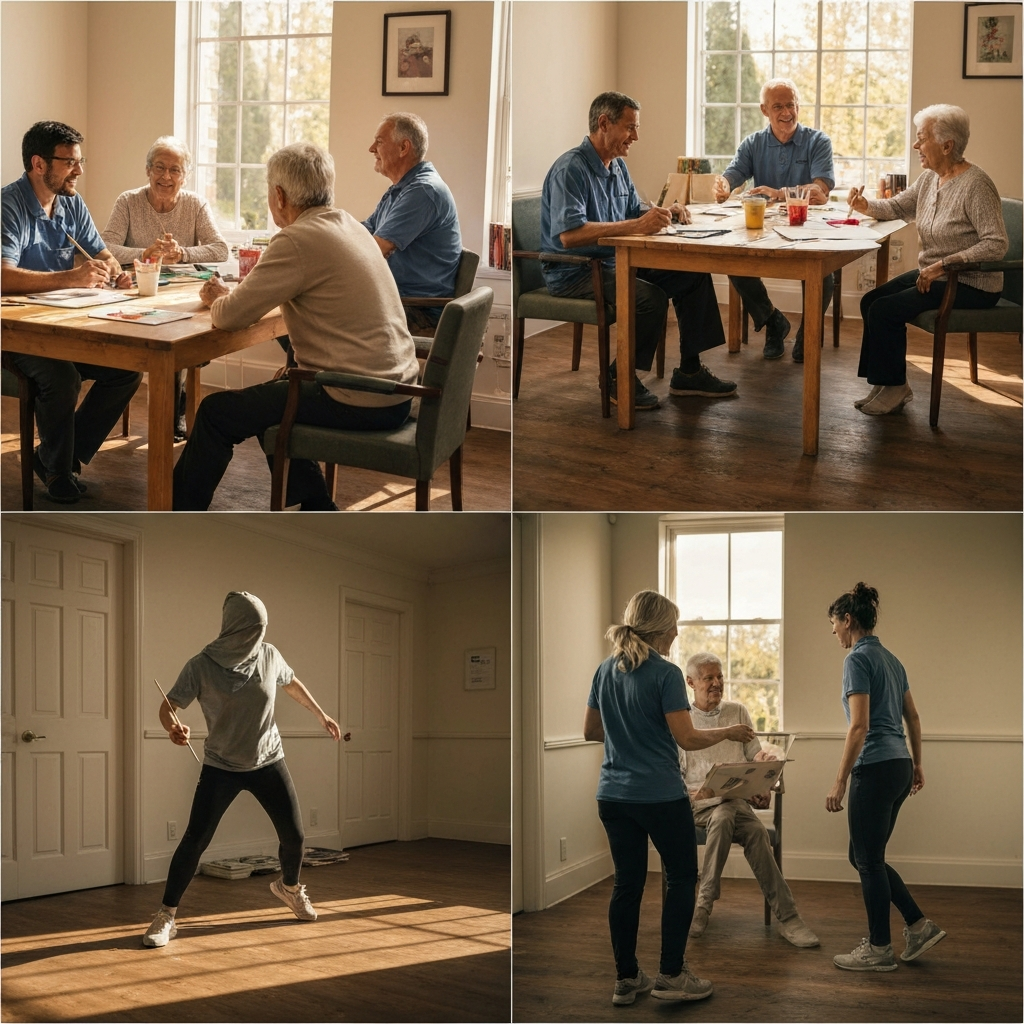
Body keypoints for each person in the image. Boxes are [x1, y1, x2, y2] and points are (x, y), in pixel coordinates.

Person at [172, 142, 419, 510]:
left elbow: (228, 316)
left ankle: (177, 512)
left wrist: (216, 297)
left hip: (357, 396)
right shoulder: (348, 224)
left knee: (215, 414)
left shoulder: (297, 239)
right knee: (273, 396)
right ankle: (316, 504)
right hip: (397, 390)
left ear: (279, 195)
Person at [143, 591, 344, 948]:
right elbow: (169, 704)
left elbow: (291, 682)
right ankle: (166, 917)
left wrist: (321, 714)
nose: (259, 637)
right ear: (236, 629)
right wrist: (172, 726)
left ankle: (290, 888)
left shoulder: (269, 655)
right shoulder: (201, 666)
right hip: (222, 765)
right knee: (195, 841)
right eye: (253, 629)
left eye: (262, 629)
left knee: (294, 837)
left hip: (269, 760)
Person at [583, 591, 755, 1005]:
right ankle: (671, 975)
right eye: (674, 626)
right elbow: (688, 737)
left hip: (613, 797)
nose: (677, 633)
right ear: (660, 629)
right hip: (659, 797)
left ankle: (626, 980)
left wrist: (630, 733)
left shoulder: (604, 670)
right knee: (680, 878)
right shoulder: (665, 672)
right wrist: (729, 732)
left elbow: (591, 732)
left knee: (627, 885)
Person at [542, 92, 735, 411]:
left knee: (694, 275)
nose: (636, 136)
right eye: (630, 127)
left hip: (615, 262)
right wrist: (638, 225)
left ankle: (689, 372)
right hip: (574, 272)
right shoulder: (570, 169)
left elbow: (634, 210)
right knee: (650, 298)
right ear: (604, 124)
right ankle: (619, 376)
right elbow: (570, 235)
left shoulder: (616, 167)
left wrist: (664, 211)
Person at [1, 120, 139, 504]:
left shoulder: (71, 202)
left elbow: (100, 252)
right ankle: (58, 470)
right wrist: (71, 278)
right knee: (61, 377)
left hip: (63, 326)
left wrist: (116, 274)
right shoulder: (8, 206)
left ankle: (59, 457)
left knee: (127, 369)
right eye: (69, 162)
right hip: (17, 334)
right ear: (39, 164)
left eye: (80, 161)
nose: (79, 170)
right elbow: (3, 277)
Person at [848, 104, 1007, 415]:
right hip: (936, 275)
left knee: (884, 310)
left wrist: (945, 264)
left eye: (922, 138)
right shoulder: (929, 180)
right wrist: (865, 205)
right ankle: (885, 383)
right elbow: (896, 207)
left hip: (973, 284)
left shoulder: (977, 185)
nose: (916, 145)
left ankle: (895, 388)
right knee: (871, 301)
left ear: (947, 145)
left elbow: (996, 244)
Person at [826, 582, 946, 971]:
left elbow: (859, 725)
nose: (833, 633)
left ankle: (879, 949)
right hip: (899, 766)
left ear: (848, 620)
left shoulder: (856, 661)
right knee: (864, 856)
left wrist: (840, 779)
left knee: (868, 859)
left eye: (834, 624)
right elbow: (912, 717)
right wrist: (918, 763)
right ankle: (918, 925)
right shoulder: (893, 661)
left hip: (875, 767)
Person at [678, 653, 818, 947]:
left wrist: (764, 769)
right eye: (708, 678)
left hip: (735, 803)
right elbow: (674, 771)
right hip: (699, 807)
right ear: (690, 682)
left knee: (731, 815)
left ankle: (704, 902)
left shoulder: (738, 711)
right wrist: (688, 792)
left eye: (720, 677)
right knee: (743, 825)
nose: (717, 683)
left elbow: (755, 754)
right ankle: (789, 919)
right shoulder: (682, 722)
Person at [102, 136, 229, 440]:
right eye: (159, 168)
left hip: (180, 293)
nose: (166, 177)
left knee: (179, 337)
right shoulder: (128, 201)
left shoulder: (195, 204)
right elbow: (104, 246)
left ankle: (174, 415)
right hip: (135, 291)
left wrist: (182, 253)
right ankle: (171, 415)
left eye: (175, 170)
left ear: (185, 176)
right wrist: (143, 253)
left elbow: (221, 249)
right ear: (148, 170)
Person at [713, 78, 836, 362]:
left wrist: (779, 193)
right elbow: (733, 174)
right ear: (764, 110)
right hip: (762, 230)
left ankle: (808, 333)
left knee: (824, 275)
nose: (786, 112)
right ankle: (772, 321)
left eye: (790, 105)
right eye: (778, 106)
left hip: (807, 228)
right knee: (733, 262)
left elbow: (820, 190)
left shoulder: (818, 141)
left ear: (798, 107)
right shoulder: (753, 143)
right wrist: (723, 186)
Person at [363, 113, 461, 336]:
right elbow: (365, 231)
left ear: (403, 147)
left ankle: (309, 369)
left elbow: (377, 249)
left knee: (316, 314)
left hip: (418, 312)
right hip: (401, 303)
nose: (371, 148)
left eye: (379, 142)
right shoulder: (401, 189)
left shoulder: (422, 192)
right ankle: (307, 368)